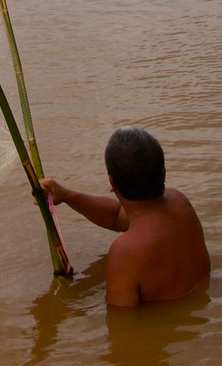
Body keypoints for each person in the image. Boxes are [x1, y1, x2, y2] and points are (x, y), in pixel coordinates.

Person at [40, 126, 210, 307]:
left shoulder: (126, 252)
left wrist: (60, 304)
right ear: (163, 172)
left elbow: (120, 324)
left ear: (112, 183)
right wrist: (67, 196)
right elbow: (116, 216)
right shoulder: (180, 202)